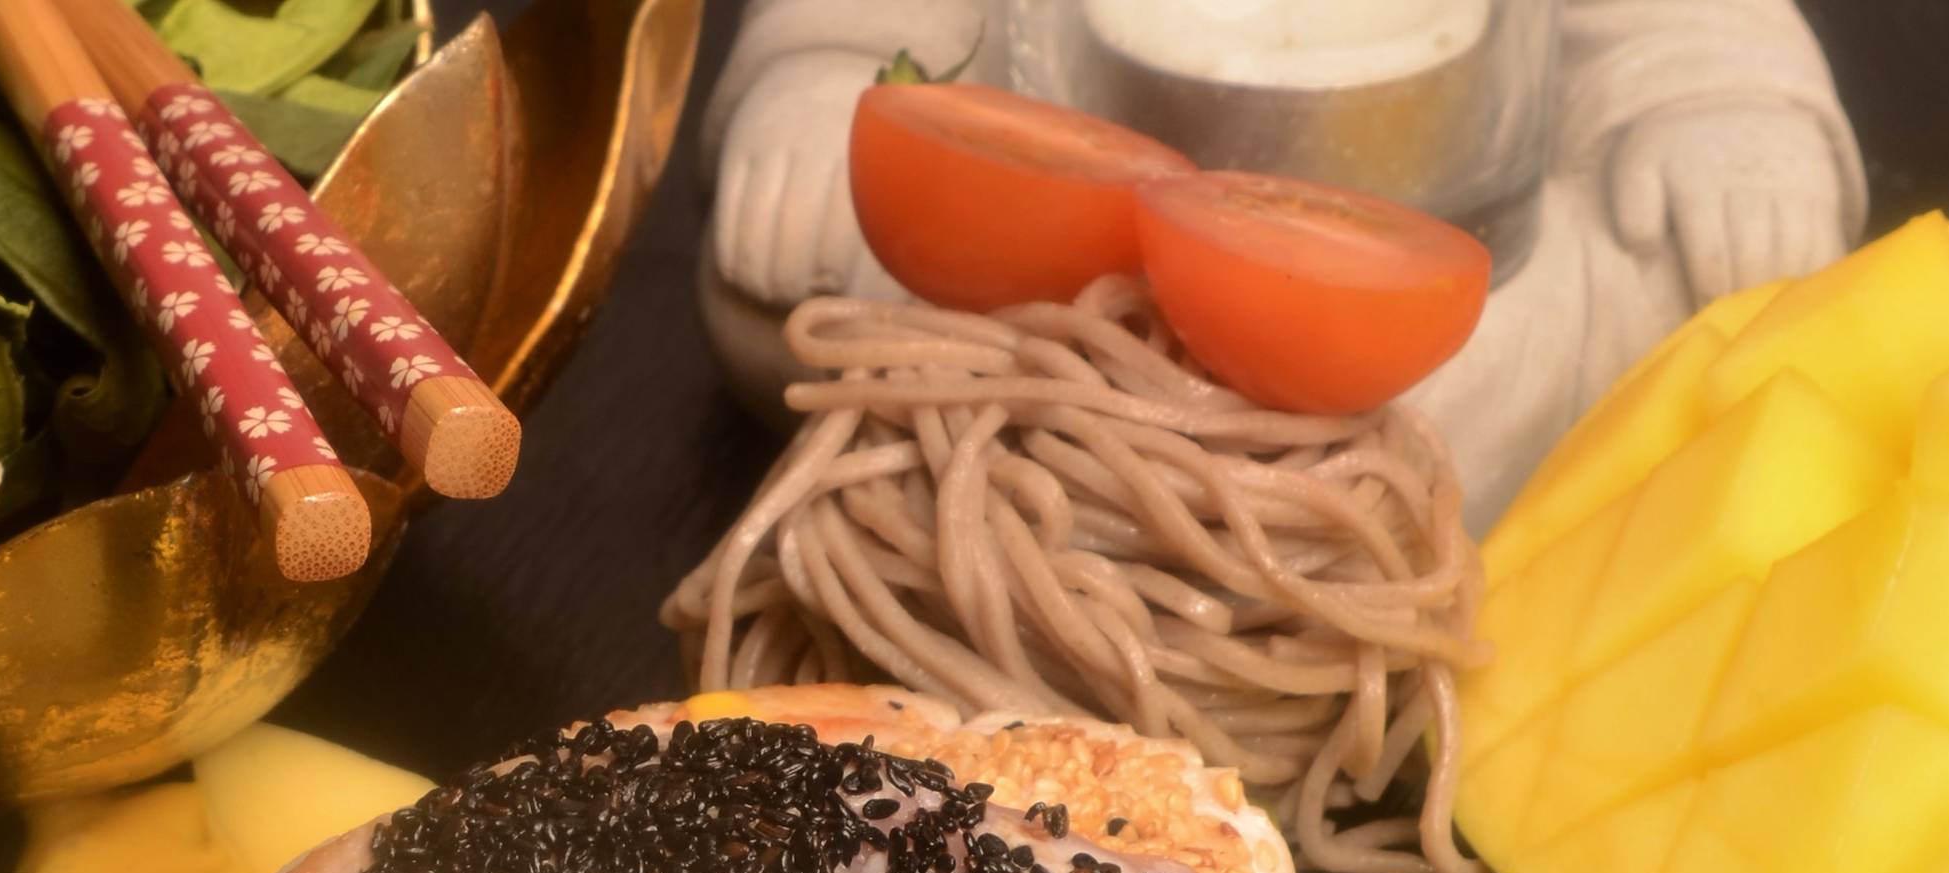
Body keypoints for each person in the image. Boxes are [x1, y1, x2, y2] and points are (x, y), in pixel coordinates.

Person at [698, 0, 1864, 530]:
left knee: (1692, 310)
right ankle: (1105, 504)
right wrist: (822, 73)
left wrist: (1722, 101)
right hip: (1060, 287)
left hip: (1460, 285)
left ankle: (1318, 512)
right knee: (800, 297)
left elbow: (1684, 24)